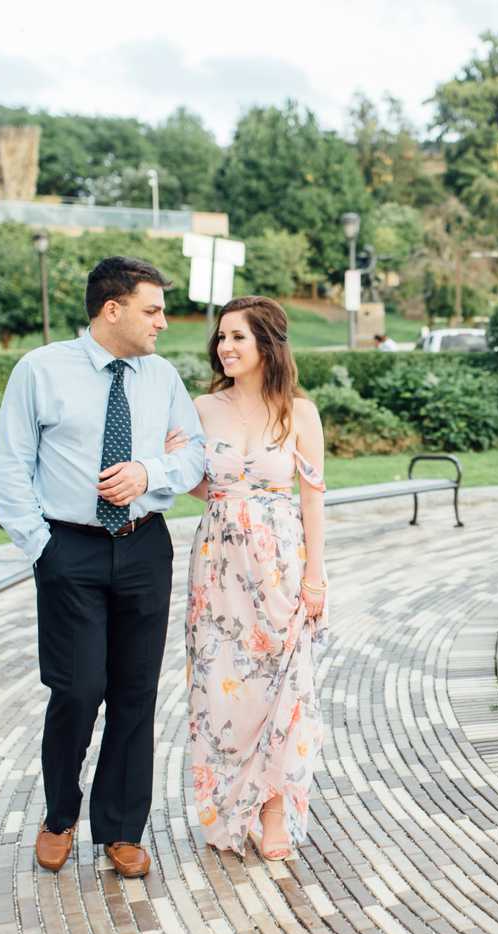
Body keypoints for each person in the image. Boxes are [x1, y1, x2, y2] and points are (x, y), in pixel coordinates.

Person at [0, 257, 206, 879]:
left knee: (135, 695)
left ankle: (121, 830)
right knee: (79, 689)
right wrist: (42, 548)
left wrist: (149, 474)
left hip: (144, 546)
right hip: (70, 551)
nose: (163, 322)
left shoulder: (161, 377)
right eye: (153, 309)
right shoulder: (40, 370)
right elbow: (10, 467)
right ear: (112, 309)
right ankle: (60, 815)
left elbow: (192, 456)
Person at [167, 295, 328, 861]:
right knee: (222, 691)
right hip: (217, 569)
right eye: (220, 337)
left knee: (283, 685)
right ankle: (232, 805)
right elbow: (184, 476)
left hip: (280, 565)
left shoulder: (299, 413)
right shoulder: (201, 408)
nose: (225, 347)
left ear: (267, 344)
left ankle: (274, 809)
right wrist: (212, 490)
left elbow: (314, 499)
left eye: (237, 337)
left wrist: (316, 577)